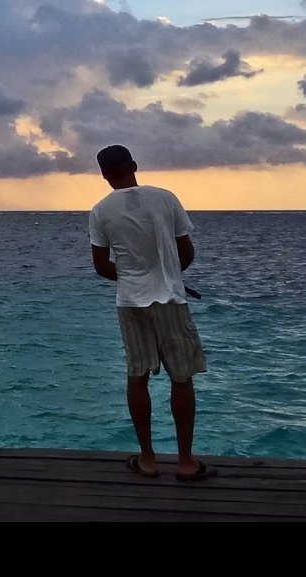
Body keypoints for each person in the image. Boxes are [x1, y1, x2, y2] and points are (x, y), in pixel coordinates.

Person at [88, 144, 215, 482]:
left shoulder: (100, 211)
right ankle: (186, 462)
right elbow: (186, 250)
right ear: (134, 165)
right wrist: (172, 275)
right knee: (181, 378)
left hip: (130, 302)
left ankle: (147, 459)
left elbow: (101, 266)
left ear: (103, 175)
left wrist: (130, 276)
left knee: (137, 375)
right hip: (171, 300)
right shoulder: (165, 198)